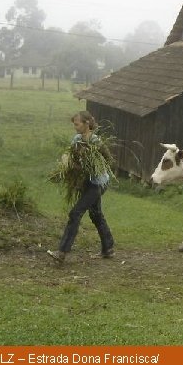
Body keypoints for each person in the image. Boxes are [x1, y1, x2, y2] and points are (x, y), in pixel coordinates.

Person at [48, 111, 114, 263]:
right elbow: (70, 156)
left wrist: (92, 161)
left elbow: (108, 160)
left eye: (77, 124)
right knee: (96, 214)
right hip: (86, 182)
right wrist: (66, 162)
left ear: (86, 124)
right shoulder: (77, 139)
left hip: (98, 183)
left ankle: (62, 252)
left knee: (75, 213)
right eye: (74, 124)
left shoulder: (96, 142)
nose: (75, 127)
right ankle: (108, 248)